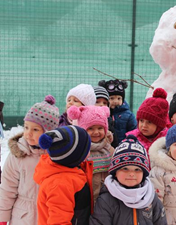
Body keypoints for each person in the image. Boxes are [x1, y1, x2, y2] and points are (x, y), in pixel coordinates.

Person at [0, 95, 59, 225]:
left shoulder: (57, 156)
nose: (28, 133)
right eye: (26, 127)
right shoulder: (18, 155)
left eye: (35, 129)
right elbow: (7, 188)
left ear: (48, 133)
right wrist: (3, 217)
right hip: (22, 217)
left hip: (49, 216)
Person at [90, 135, 167, 225]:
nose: (131, 174)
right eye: (125, 169)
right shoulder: (106, 200)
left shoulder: (150, 197)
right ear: (115, 172)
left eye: (137, 169)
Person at [34, 125, 93, 225]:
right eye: (87, 149)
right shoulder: (60, 184)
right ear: (75, 157)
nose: (90, 152)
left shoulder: (71, 169)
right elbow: (59, 221)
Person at [67, 105, 114, 202]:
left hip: (106, 199)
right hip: (84, 199)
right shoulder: (80, 151)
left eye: (100, 128)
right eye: (91, 128)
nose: (96, 132)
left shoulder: (109, 150)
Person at [126, 88, 169, 153]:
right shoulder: (132, 139)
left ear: (159, 125)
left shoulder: (166, 141)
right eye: (141, 121)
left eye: (149, 122)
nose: (144, 125)